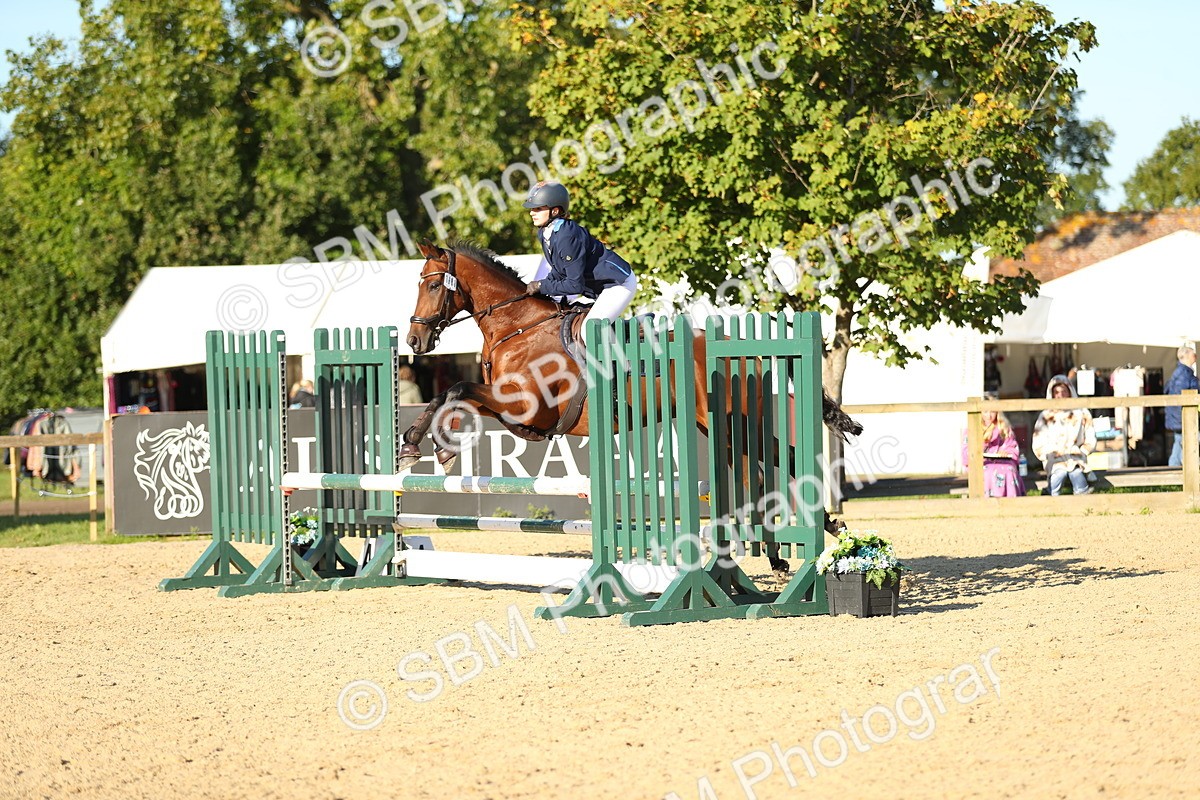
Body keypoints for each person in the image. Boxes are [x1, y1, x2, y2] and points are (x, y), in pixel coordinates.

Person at [521, 180, 638, 324]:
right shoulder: (545, 233)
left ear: (555, 211)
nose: (532, 213)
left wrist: (541, 286)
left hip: (617, 283)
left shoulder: (567, 236)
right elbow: (559, 271)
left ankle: (636, 329)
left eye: (538, 209)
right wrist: (538, 285)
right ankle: (634, 326)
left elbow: (575, 285)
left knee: (588, 331)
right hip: (598, 287)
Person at [1033, 374, 1097, 496]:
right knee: (1059, 474)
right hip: (1054, 457)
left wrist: (1082, 451)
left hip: (1076, 456)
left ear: (1070, 391)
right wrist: (1050, 453)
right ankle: (1051, 500)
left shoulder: (1081, 412)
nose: (1060, 395)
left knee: (1076, 473)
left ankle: (1083, 500)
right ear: (1051, 394)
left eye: (1064, 391)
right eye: (1056, 392)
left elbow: (1090, 437)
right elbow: (1038, 442)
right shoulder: (1046, 415)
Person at [961, 406, 1026, 497]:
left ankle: (1011, 501)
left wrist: (1005, 452)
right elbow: (966, 452)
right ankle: (988, 501)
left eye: (992, 412)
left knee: (1008, 470)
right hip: (981, 463)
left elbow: (1012, 446)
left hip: (1002, 462)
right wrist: (981, 447)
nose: (989, 416)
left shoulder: (1003, 427)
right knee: (988, 471)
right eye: (985, 412)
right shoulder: (972, 429)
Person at [1165, 345, 1199, 467]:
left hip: (1178, 417)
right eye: (1192, 354)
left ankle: (1172, 470)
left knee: (1179, 444)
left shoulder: (1181, 372)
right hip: (1183, 416)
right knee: (1193, 442)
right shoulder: (1183, 373)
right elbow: (1182, 395)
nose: (1195, 357)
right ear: (1184, 356)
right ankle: (1190, 471)